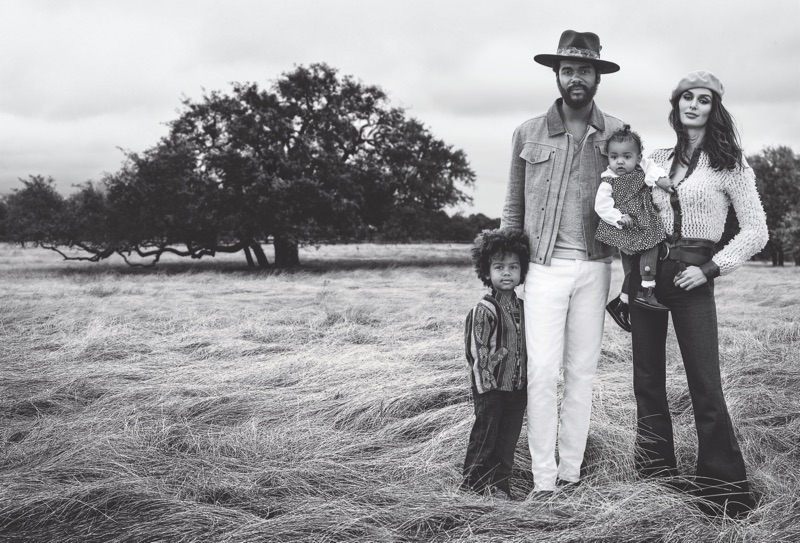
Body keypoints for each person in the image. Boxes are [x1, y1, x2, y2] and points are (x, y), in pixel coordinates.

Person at [630, 70, 768, 518]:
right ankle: (655, 476)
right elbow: (632, 215)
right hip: (648, 275)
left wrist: (709, 269)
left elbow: (757, 232)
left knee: (705, 384)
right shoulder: (654, 157)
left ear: (715, 108)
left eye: (704, 99)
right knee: (647, 380)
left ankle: (723, 489)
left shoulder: (730, 162)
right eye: (687, 97)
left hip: (693, 277)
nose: (694, 105)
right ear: (676, 104)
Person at [501, 30, 624, 492]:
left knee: (582, 375)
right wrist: (506, 272)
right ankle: (543, 479)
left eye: (585, 70)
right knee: (542, 371)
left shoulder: (617, 134)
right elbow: (513, 208)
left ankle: (570, 473)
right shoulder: (527, 133)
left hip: (596, 267)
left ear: (597, 77)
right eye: (568, 69)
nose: (576, 77)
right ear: (556, 75)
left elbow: (633, 208)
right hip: (544, 267)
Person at [462, 228, 530, 500]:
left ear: (522, 271)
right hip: (490, 390)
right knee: (485, 439)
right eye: (499, 267)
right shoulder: (484, 310)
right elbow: (476, 353)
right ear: (486, 271)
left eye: (514, 267)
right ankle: (472, 487)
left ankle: (500, 487)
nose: (506, 273)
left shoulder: (526, 307)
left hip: (517, 388)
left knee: (507, 441)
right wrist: (487, 388)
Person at [595, 124, 673, 324]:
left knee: (633, 268)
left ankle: (622, 304)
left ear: (638, 158)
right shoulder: (608, 181)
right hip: (627, 227)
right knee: (650, 249)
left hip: (644, 221)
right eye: (614, 157)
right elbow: (601, 206)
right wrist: (617, 217)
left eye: (626, 157)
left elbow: (652, 167)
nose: (620, 161)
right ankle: (646, 290)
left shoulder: (642, 166)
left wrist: (660, 180)